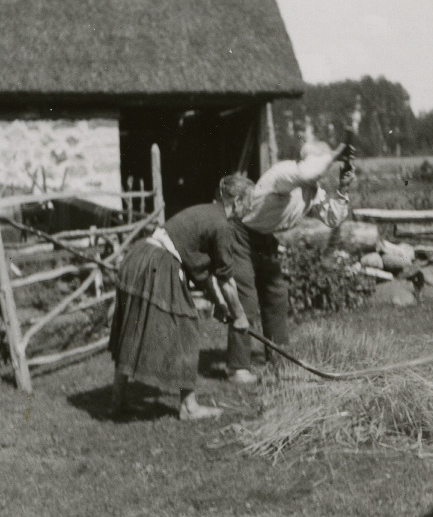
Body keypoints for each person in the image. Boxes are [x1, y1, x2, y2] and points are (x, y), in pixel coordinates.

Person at [108, 175, 254, 419]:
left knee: (134, 328)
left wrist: (219, 304)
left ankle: (116, 402)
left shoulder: (209, 212)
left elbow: (203, 272)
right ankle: (189, 407)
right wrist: (240, 317)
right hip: (157, 264)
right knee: (186, 329)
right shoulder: (222, 226)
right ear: (237, 201)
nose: (251, 207)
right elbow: (227, 281)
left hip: (139, 257)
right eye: (249, 201)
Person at [224, 130, 356, 383]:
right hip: (241, 234)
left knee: (276, 296)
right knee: (246, 300)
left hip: (264, 238)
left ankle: (280, 362)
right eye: (322, 162)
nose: (324, 168)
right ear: (308, 159)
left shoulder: (312, 190)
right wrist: (335, 153)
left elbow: (332, 218)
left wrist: (343, 188)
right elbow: (308, 172)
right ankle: (237, 368)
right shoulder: (283, 173)